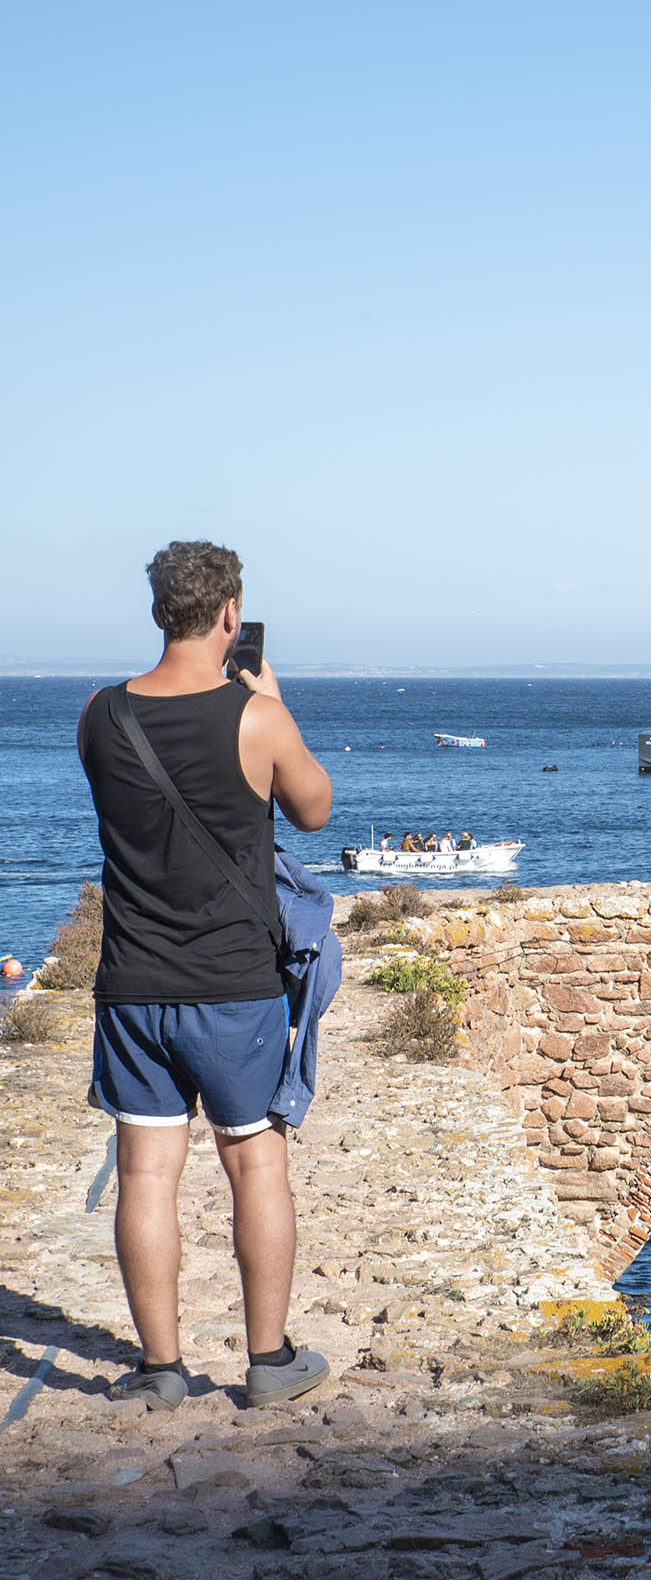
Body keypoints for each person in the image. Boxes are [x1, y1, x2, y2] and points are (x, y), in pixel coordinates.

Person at [76, 541, 334, 1411]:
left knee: (147, 1173)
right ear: (231, 616)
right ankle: (269, 1364)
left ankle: (160, 1370)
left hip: (133, 985)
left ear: (159, 613)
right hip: (235, 988)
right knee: (255, 1166)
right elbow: (314, 808)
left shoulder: (99, 716)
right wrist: (271, 705)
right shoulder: (254, 717)